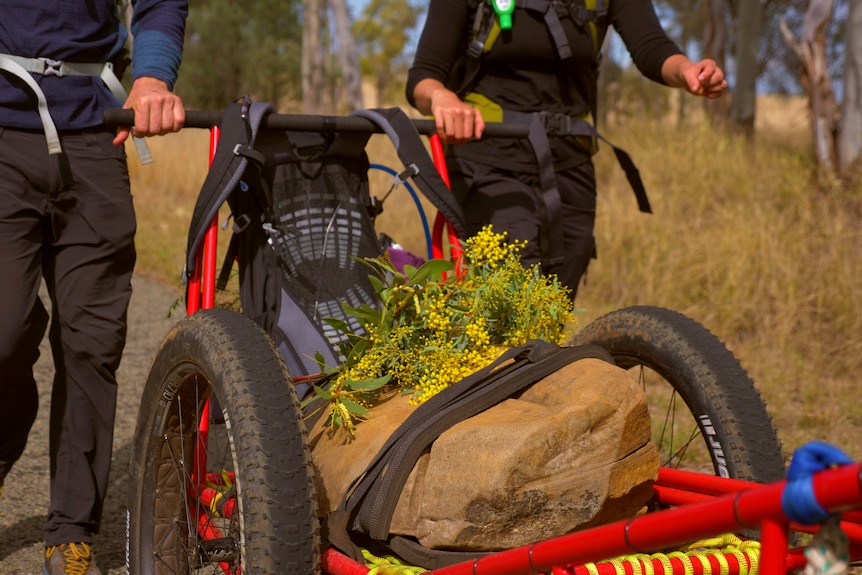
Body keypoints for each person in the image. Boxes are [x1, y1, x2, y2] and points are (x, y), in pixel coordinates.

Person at [0, 1, 187, 573]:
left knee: (91, 343)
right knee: (4, 334)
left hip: (96, 135)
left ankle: (71, 527)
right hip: (2, 133)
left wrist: (152, 77)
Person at [406, 0, 727, 300]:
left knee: (555, 306)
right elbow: (423, 77)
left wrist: (687, 71)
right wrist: (441, 97)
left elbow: (651, 47)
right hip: (488, 160)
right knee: (512, 302)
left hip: (571, 164)